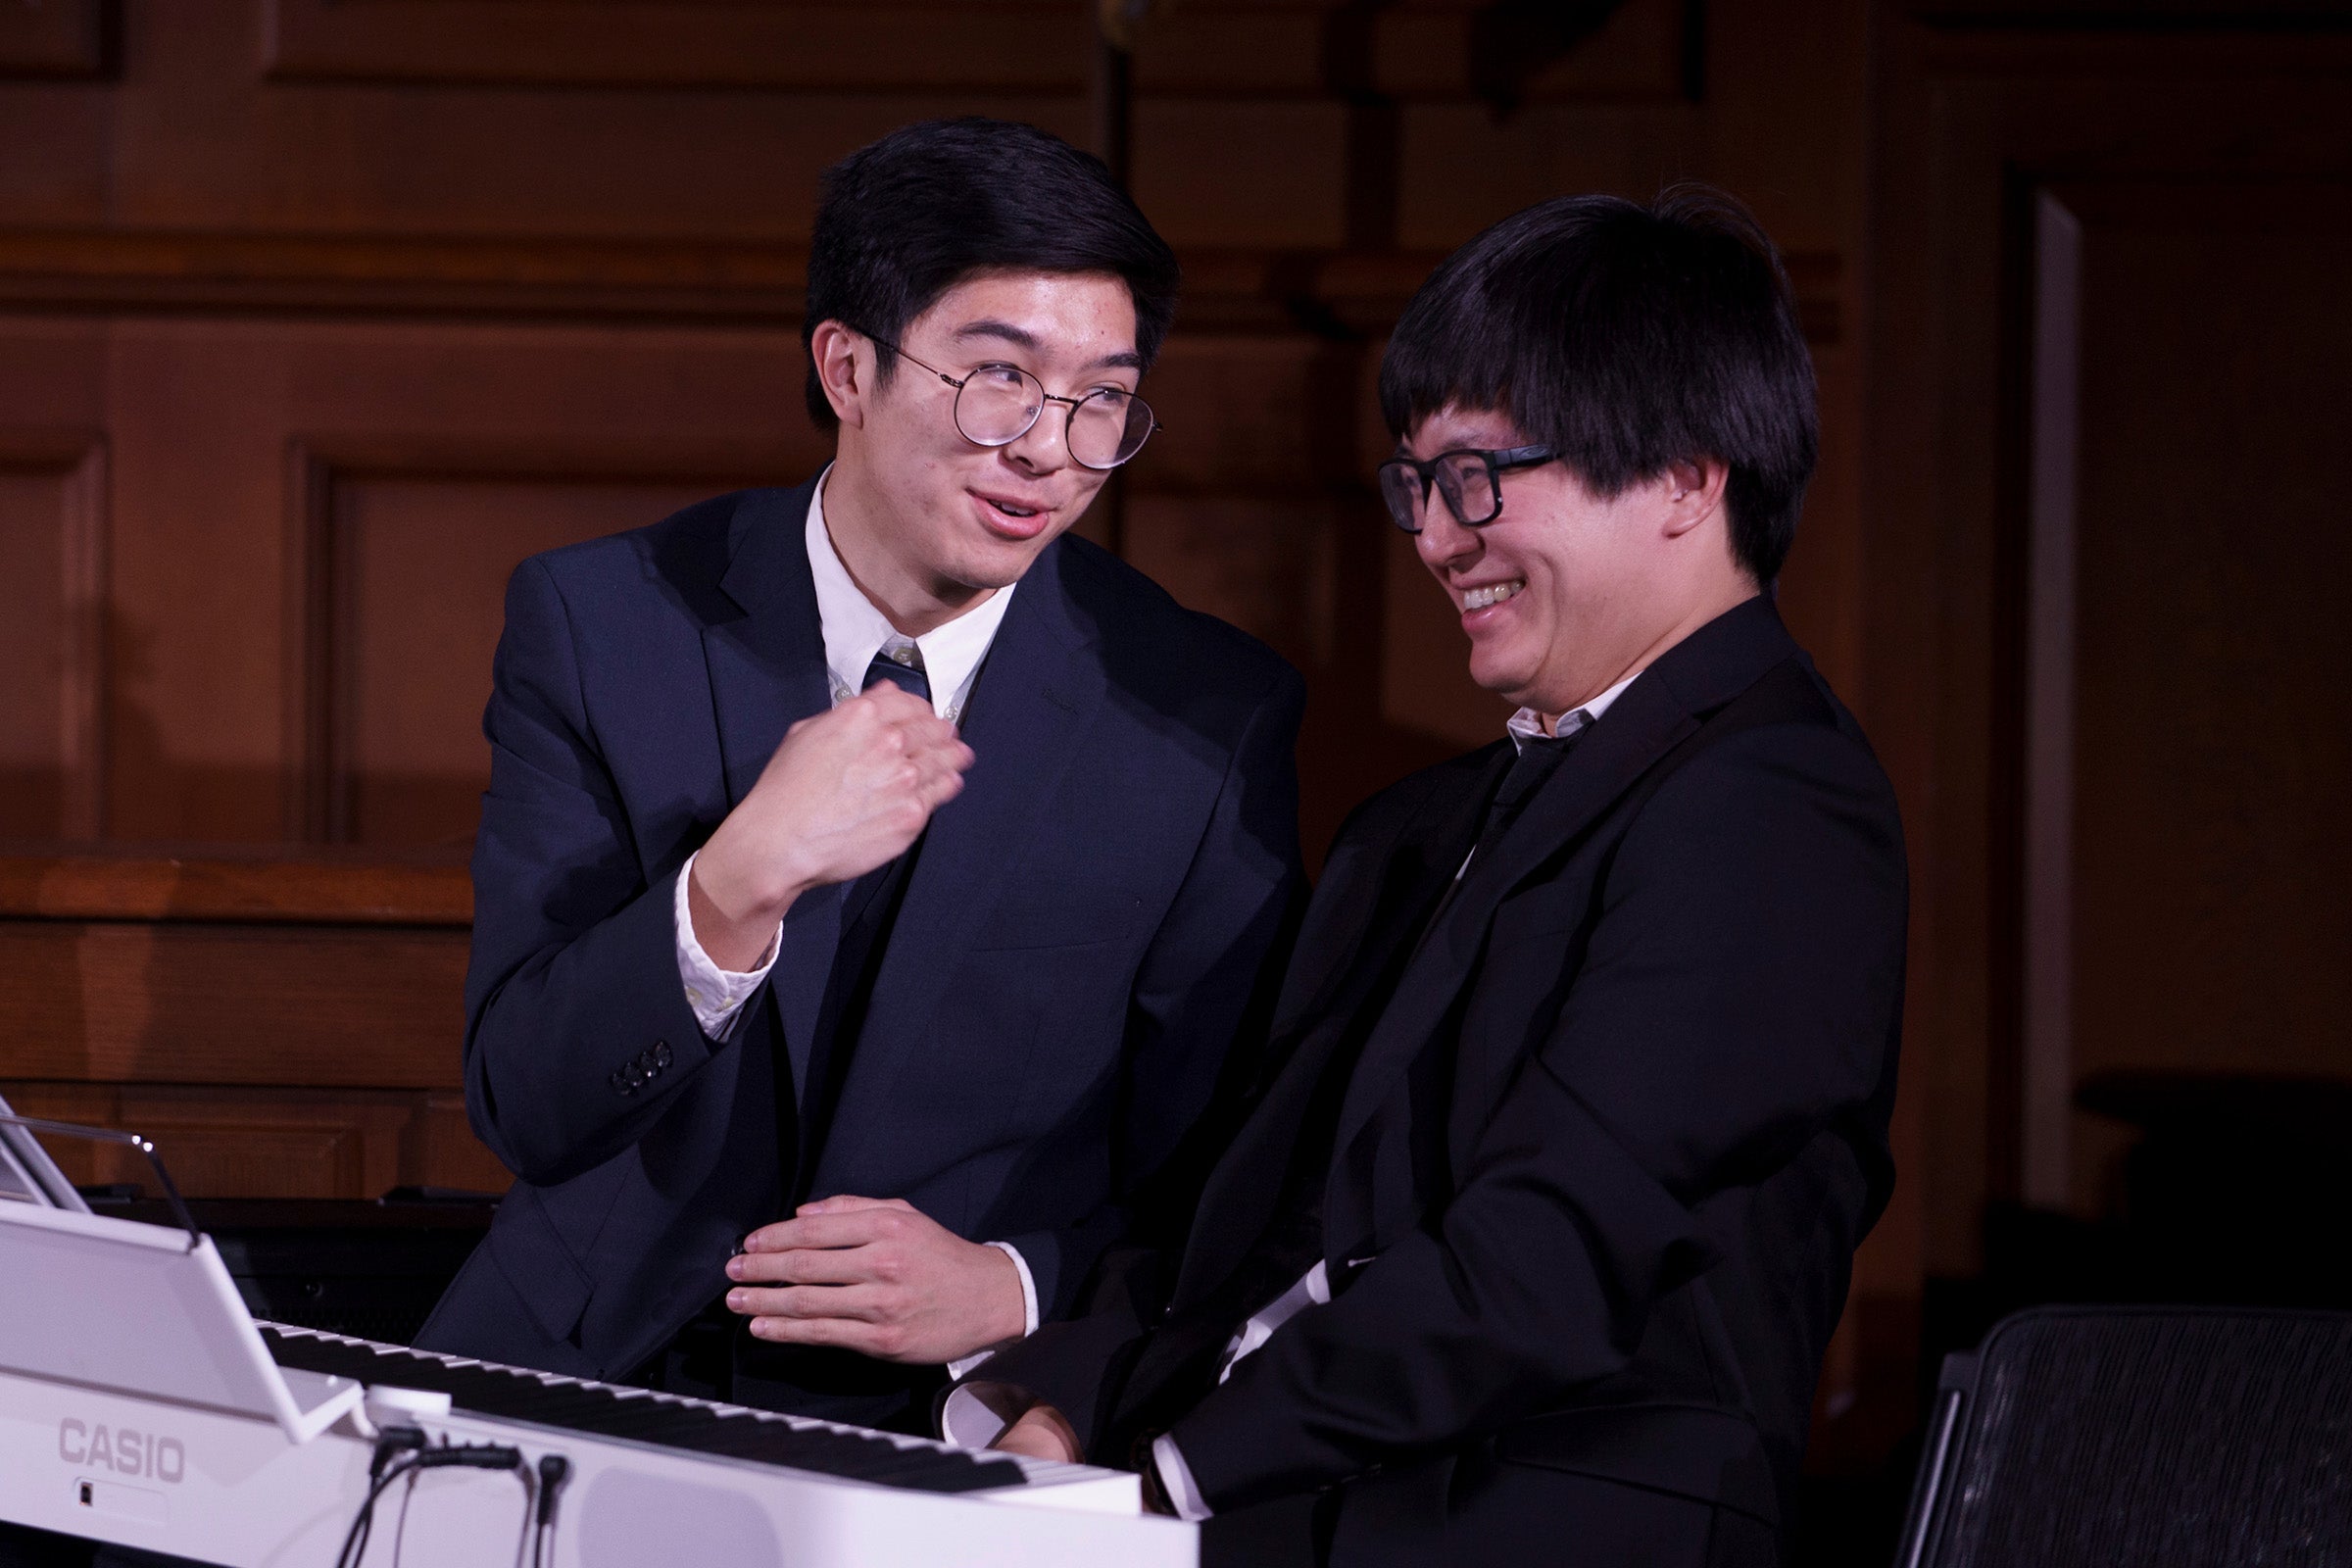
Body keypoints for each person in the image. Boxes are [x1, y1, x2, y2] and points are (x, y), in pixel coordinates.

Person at [947, 187, 1908, 1567]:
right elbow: (1251, 1225)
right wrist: (1069, 1416)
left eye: (1481, 475)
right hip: (1287, 1502)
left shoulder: (1775, 802)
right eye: (1419, 484)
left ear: (1690, 478)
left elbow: (1553, 1260)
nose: (1437, 537)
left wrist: (1156, 1480)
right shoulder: (1419, 826)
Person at [414, 118, 1306, 1437]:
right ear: (847, 364)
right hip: (591, 1364)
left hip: (954, 1410)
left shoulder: (1201, 712)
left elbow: (1228, 1174)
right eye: (1001, 375)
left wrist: (1012, 1286)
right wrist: (733, 887)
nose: (1050, 450)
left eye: (1103, 398)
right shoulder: (604, 625)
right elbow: (527, 1102)